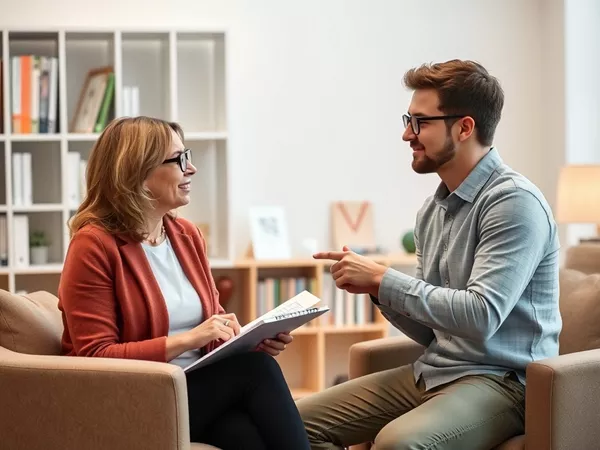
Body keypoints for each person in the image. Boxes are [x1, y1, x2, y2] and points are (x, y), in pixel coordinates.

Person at [298, 59, 562, 450]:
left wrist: (384, 279)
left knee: (397, 444)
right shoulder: (432, 211)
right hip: (434, 372)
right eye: (408, 120)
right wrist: (376, 292)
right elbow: (432, 330)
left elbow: (480, 315)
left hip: (502, 382)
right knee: (289, 424)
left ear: (464, 127)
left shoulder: (514, 203)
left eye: (420, 122)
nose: (407, 134)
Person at [58, 116, 310, 450]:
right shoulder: (94, 245)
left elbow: (213, 325)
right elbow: (96, 355)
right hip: (134, 397)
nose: (190, 169)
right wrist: (187, 339)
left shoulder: (186, 236)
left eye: (187, 156)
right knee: (257, 371)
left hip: (195, 392)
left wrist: (248, 341)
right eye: (179, 160)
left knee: (247, 436)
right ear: (138, 171)